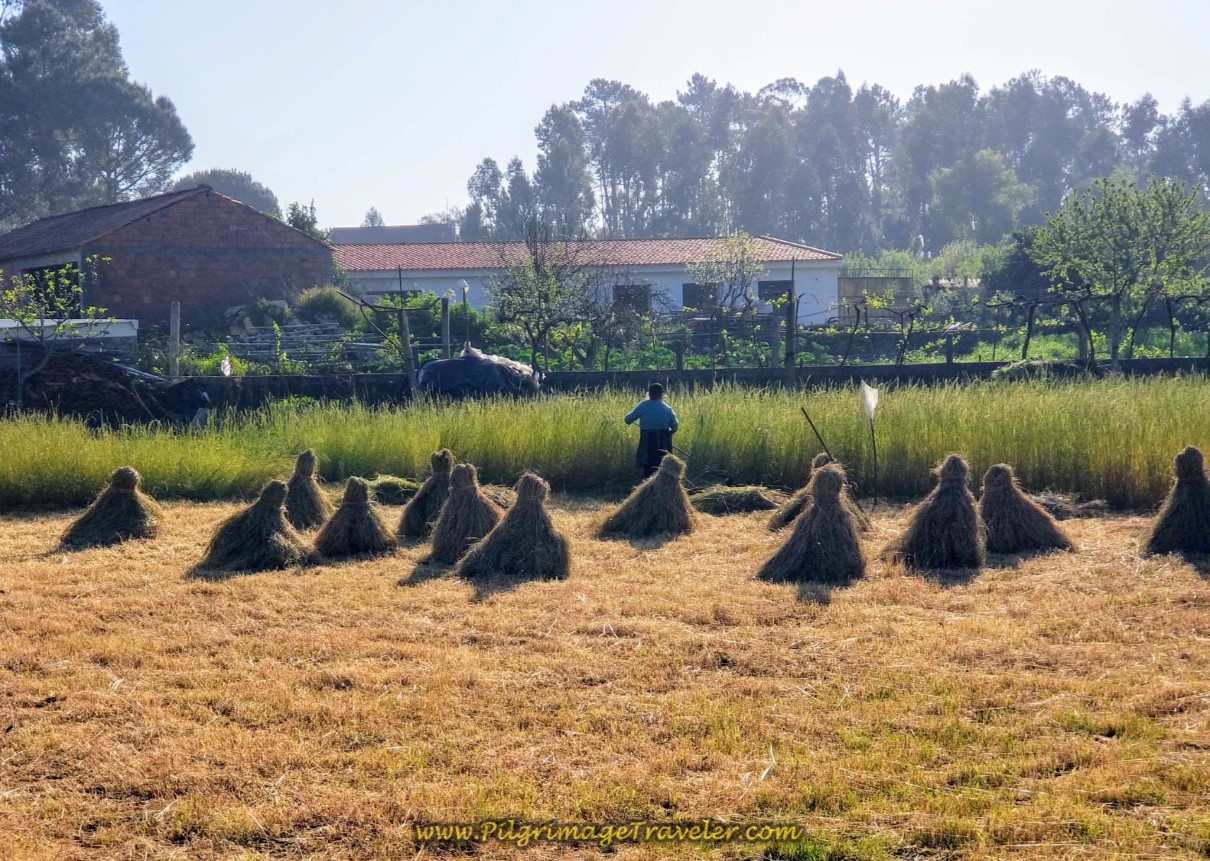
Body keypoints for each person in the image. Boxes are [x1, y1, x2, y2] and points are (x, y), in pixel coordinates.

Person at [624, 383, 679, 477]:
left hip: (647, 439)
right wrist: (669, 433)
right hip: (663, 441)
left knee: (648, 464)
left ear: (649, 394)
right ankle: (662, 485)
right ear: (662, 395)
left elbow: (628, 420)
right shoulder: (667, 408)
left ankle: (648, 485)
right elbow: (675, 426)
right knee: (662, 464)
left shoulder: (643, 405)